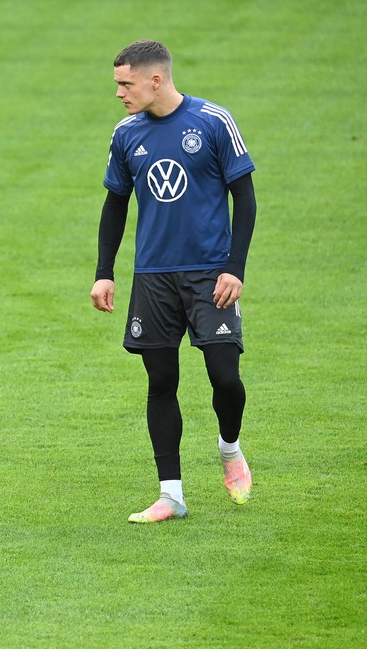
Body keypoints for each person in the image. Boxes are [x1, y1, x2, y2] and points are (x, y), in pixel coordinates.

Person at [90, 40, 257, 523]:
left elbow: (244, 199)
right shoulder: (125, 134)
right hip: (154, 276)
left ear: (155, 80)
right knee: (161, 381)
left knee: (225, 376)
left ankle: (229, 447)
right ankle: (171, 495)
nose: (119, 93)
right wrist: (105, 272)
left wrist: (235, 268)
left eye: (126, 83)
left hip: (210, 273)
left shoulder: (212, 122)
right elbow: (115, 203)